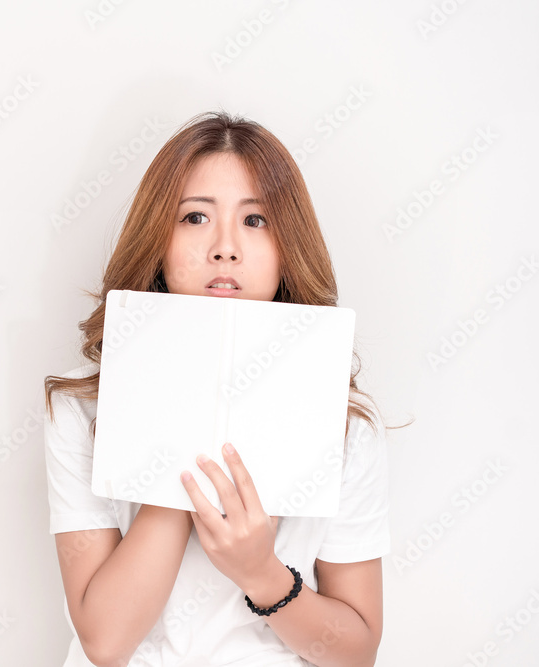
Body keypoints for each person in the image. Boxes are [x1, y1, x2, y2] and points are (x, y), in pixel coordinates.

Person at [43, 110, 410, 667]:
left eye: (256, 221)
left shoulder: (344, 422)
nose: (225, 249)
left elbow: (355, 653)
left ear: (288, 248)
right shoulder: (79, 405)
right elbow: (105, 641)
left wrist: (261, 573)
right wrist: (182, 439)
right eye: (194, 217)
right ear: (158, 242)